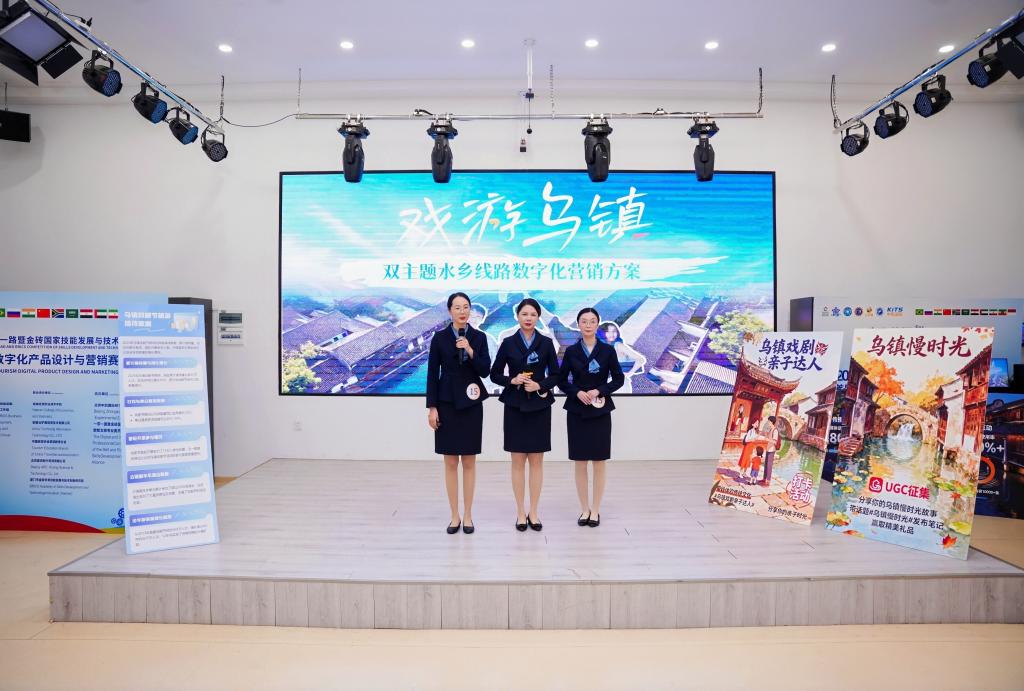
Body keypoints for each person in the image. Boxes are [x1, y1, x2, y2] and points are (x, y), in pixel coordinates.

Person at [490, 298, 559, 532]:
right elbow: (495, 374)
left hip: (539, 406)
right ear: (517, 316)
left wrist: (540, 385)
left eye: (533, 314)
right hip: (514, 406)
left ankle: (534, 512)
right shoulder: (508, 343)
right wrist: (512, 380)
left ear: (538, 317)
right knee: (518, 461)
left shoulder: (546, 343)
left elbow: (556, 375)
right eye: (524, 314)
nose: (528, 318)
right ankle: (520, 512)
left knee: (537, 461)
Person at [426, 292, 491, 535]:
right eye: (457, 307)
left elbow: (485, 370)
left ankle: (468, 515)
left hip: (472, 403)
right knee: (451, 462)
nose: (462, 312)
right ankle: (454, 515)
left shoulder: (479, 337)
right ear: (449, 311)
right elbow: (432, 374)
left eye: (466, 307)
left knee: (469, 462)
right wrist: (432, 408)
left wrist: (470, 350)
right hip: (447, 403)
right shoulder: (439, 338)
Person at [558, 307, 624, 528]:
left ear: (598, 324)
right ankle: (584, 509)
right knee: (580, 462)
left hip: (600, 410)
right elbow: (562, 380)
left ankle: (595, 510)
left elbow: (618, 379)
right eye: (584, 321)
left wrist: (599, 390)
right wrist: (576, 392)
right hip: (577, 410)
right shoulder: (571, 351)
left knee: (599, 461)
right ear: (578, 325)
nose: (588, 325)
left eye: (592, 321)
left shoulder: (607, 351)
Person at [759, 415, 780, 485]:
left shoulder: (775, 430)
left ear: (771, 422)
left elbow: (775, 441)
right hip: (768, 449)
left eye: (768, 421)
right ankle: (764, 479)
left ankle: (767, 481)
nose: (768, 422)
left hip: (772, 449)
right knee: (766, 465)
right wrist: (765, 435)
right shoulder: (771, 429)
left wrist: (768, 439)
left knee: (769, 466)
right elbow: (769, 438)